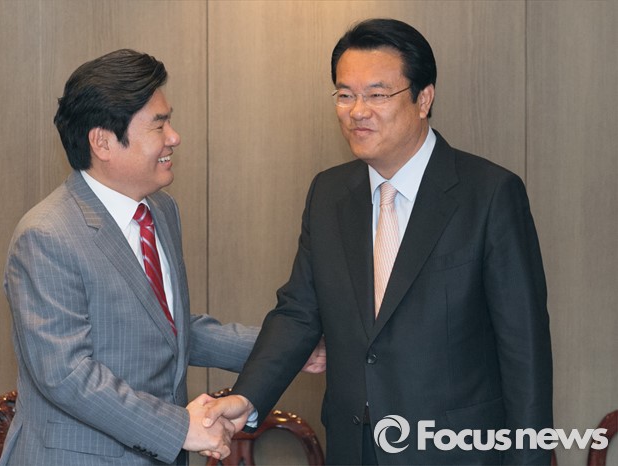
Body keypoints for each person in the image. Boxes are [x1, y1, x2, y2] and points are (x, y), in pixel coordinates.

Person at [204, 18, 553, 465]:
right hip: (356, 445)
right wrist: (247, 397)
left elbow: (524, 351)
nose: (357, 111)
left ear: (423, 98)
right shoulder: (329, 193)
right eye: (345, 94)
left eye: (377, 95)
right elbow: (298, 313)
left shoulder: (489, 194)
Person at [0, 49, 323, 466]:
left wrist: (288, 348)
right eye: (159, 125)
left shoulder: (161, 211)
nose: (174, 137)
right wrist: (179, 428)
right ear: (102, 142)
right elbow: (66, 374)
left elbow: (170, 330)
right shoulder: (47, 235)